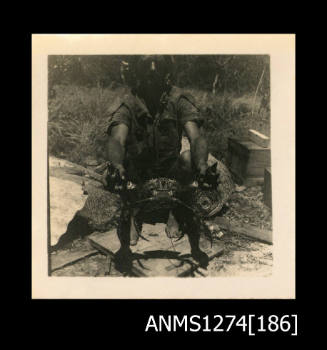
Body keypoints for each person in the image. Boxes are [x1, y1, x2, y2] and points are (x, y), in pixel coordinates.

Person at [103, 55, 213, 272]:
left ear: (167, 71)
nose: (153, 70)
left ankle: (175, 212)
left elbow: (196, 136)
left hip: (170, 171)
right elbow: (117, 139)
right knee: (120, 165)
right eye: (146, 64)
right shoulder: (129, 103)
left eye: (159, 64)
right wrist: (116, 165)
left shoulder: (179, 100)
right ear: (138, 71)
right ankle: (133, 215)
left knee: (189, 158)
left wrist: (202, 165)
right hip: (139, 171)